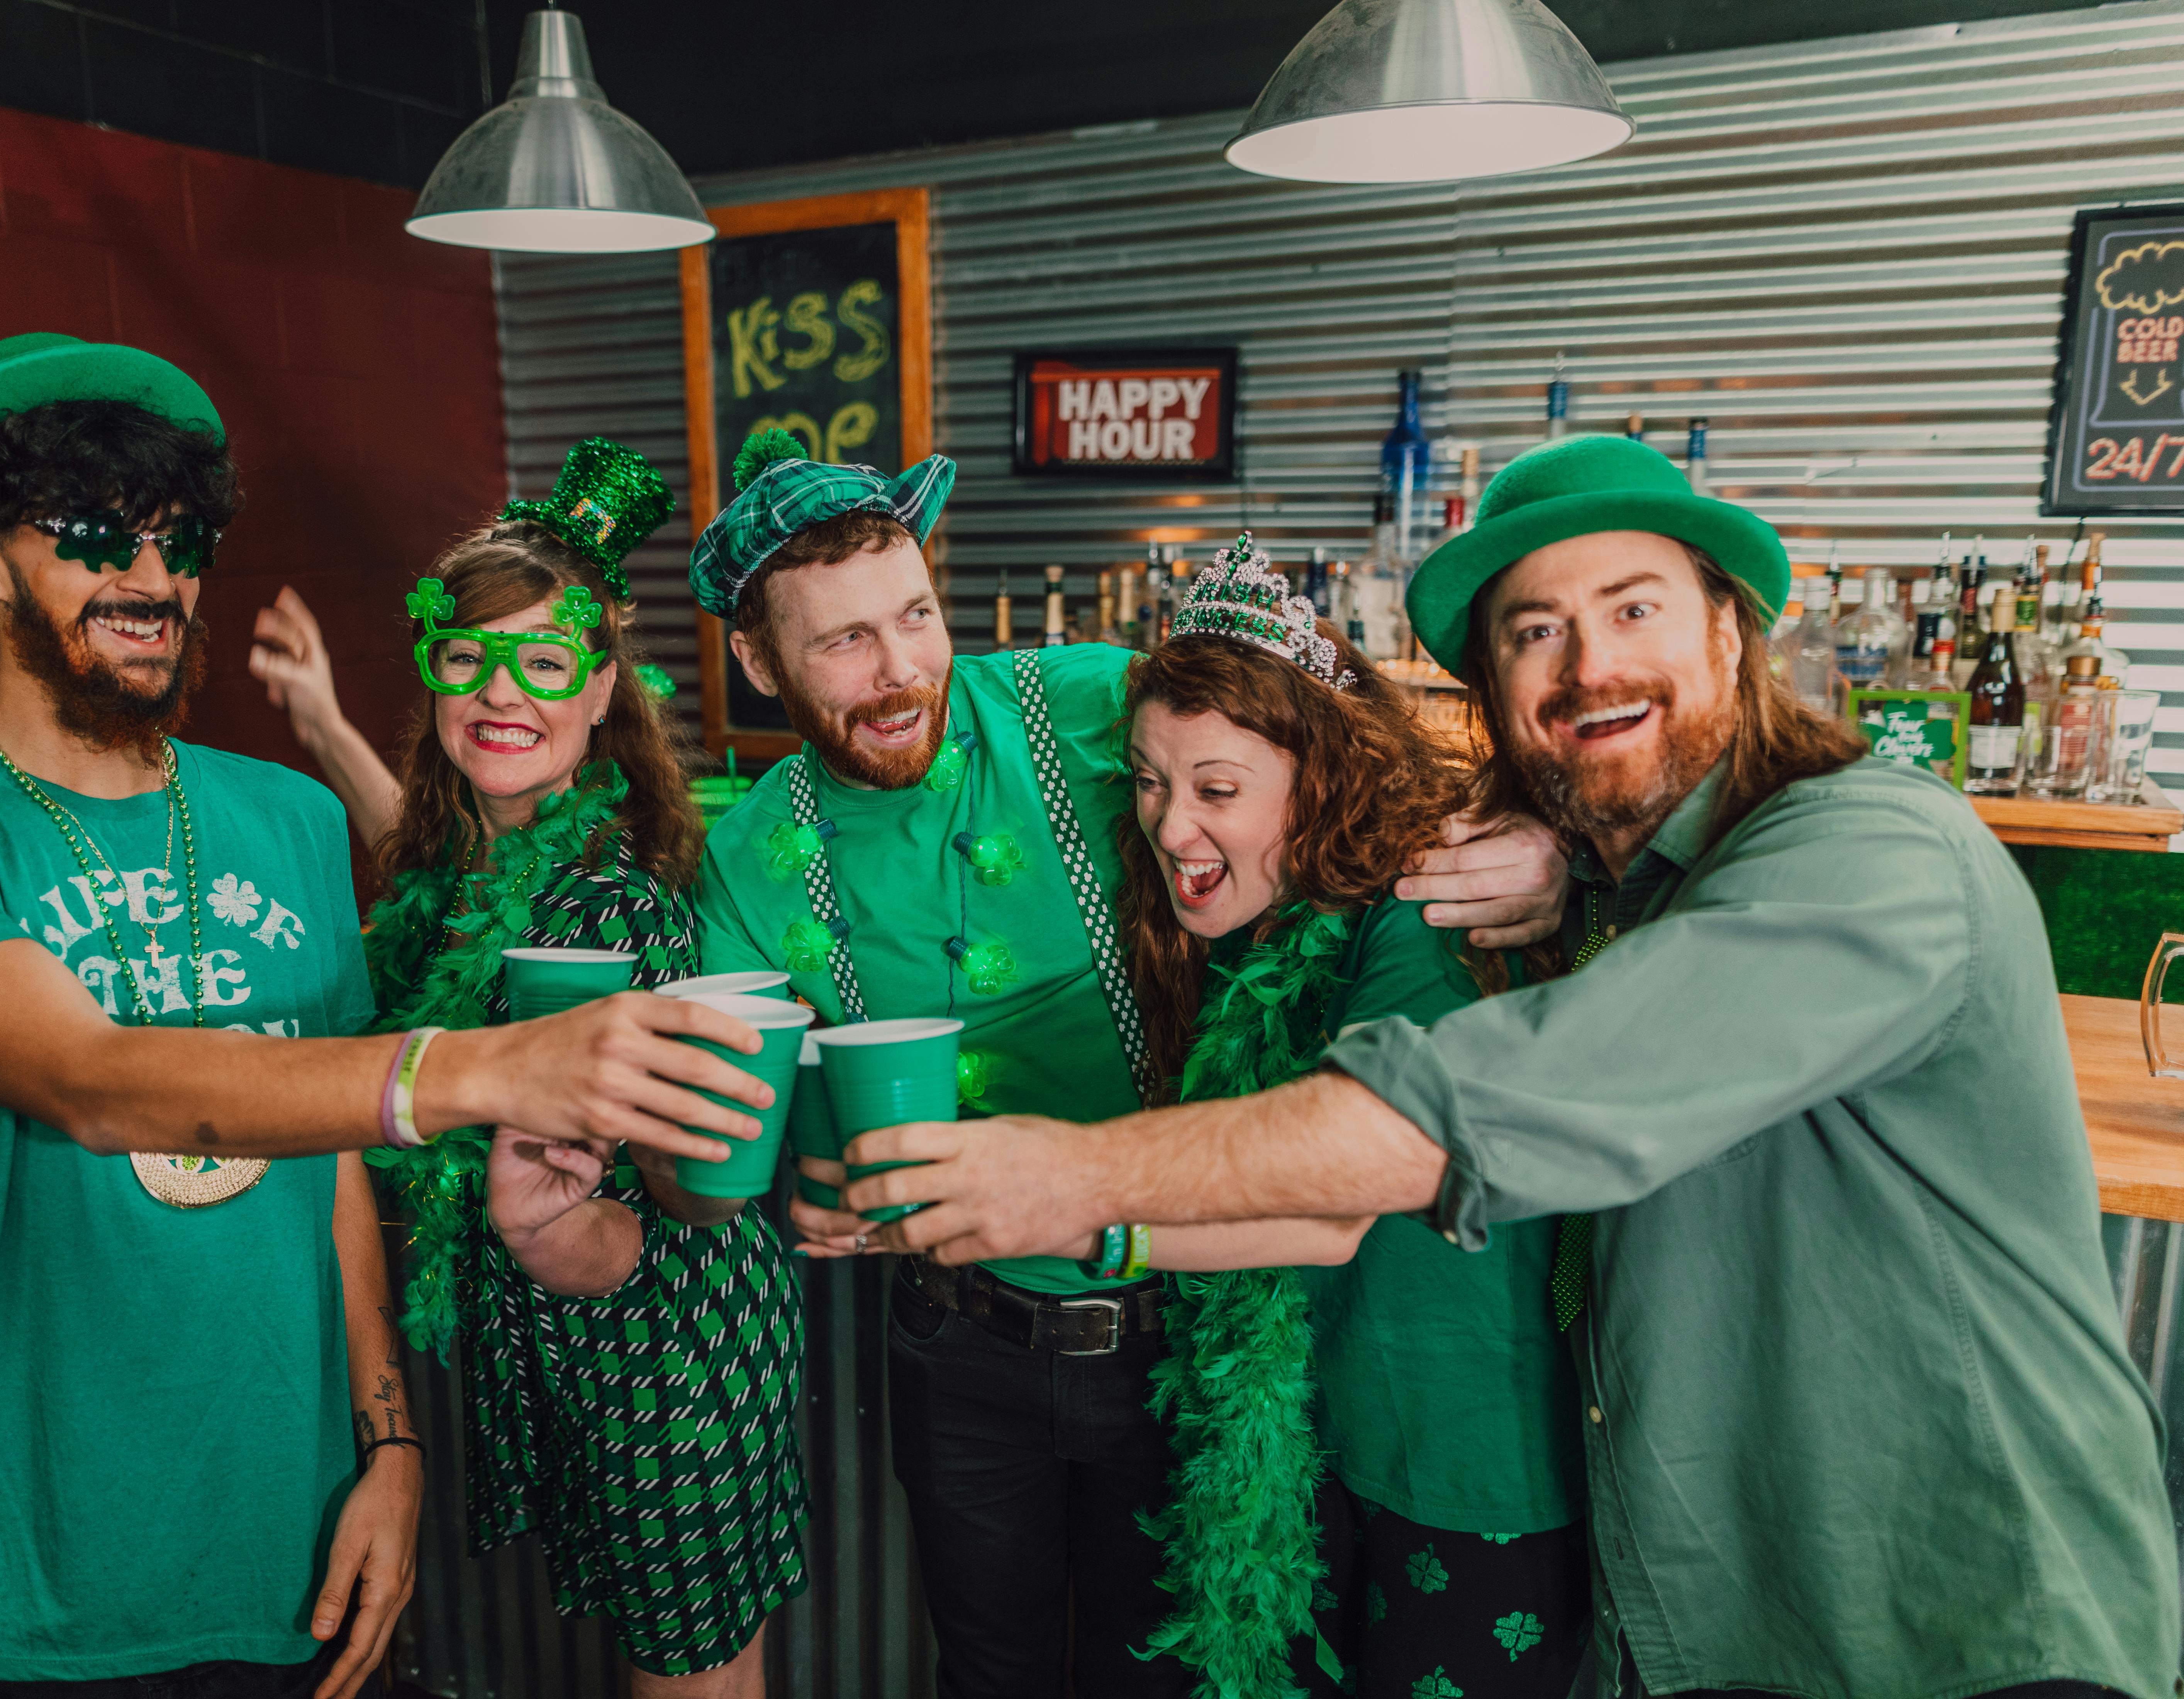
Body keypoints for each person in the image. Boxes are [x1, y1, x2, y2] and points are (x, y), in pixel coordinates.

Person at [844, 435, 2182, 1699]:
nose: (1588, 665)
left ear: (1731, 625)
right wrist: (1558, 857)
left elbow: (1470, 1113)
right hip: (1723, 1609)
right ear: (1492, 690)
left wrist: (1070, 1185)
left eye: (1635, 607)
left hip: (1973, 1626)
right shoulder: (1600, 884)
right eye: (1536, 632)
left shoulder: (1875, 852)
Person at [0, 336, 773, 1699]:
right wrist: (492, 1068)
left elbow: (332, 1152)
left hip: (311, 1556)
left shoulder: (285, 818)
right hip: (53, 1579)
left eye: (181, 543)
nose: (152, 582)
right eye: (98, 536)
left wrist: (391, 1447)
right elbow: (91, 1081)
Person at [685, 427, 1572, 1699]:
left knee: (1159, 1675)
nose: (901, 672)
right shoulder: (749, 854)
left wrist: (1533, 837)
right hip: (960, 1344)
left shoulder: (1093, 702)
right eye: (843, 642)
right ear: (760, 659)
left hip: (1177, 1329)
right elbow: (734, 1126)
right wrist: (791, 1186)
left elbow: (1317, 747)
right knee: (987, 1673)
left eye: (917, 617)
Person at [248, 439, 805, 1698]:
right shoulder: (487, 859)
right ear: (435, 671)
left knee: (691, 1679)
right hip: (556, 1346)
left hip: (668, 1359)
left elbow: (657, 1221)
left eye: (546, 662)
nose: (505, 692)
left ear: (604, 689)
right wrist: (327, 725)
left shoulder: (613, 916)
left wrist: (550, 1241)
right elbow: (453, 915)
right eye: (470, 657)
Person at [1097, 536, 1586, 1699]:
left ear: (1320, 781)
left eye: (1217, 790)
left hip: (1461, 1465)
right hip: (1315, 1450)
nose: (1171, 827)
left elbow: (1327, 1199)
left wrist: (1049, 1205)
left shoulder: (1417, 915)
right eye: (1152, 782)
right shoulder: (1250, 922)